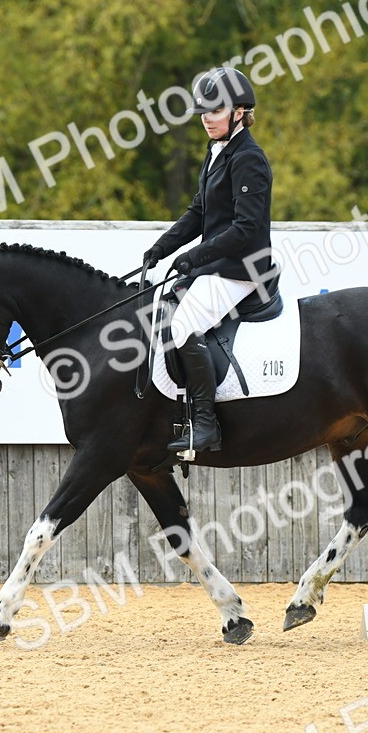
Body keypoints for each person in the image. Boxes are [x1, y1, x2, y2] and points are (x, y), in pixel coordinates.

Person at [142, 67, 274, 454]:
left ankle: (206, 424)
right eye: (202, 113)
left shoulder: (249, 158)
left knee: (181, 327)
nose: (206, 119)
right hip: (217, 264)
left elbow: (246, 229)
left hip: (243, 268)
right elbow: (199, 213)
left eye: (214, 112)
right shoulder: (216, 152)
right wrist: (162, 248)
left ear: (238, 112)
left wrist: (195, 256)